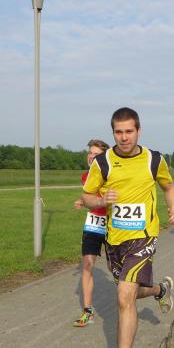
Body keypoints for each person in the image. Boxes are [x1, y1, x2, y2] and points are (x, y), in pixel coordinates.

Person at [82, 107, 174, 348]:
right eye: (118, 132)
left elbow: (169, 187)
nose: (124, 137)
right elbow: (87, 197)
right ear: (113, 133)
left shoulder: (153, 159)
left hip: (143, 236)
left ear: (138, 131)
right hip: (114, 240)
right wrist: (101, 199)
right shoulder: (103, 162)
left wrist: (173, 208)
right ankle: (160, 289)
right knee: (128, 293)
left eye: (129, 131)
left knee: (124, 296)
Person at [72, 139, 111, 327]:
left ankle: (153, 291)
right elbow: (90, 196)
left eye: (96, 154)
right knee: (87, 265)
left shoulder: (111, 175)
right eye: (90, 153)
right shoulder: (85, 176)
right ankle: (87, 311)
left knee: (116, 270)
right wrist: (82, 201)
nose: (91, 156)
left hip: (112, 224)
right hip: (94, 223)